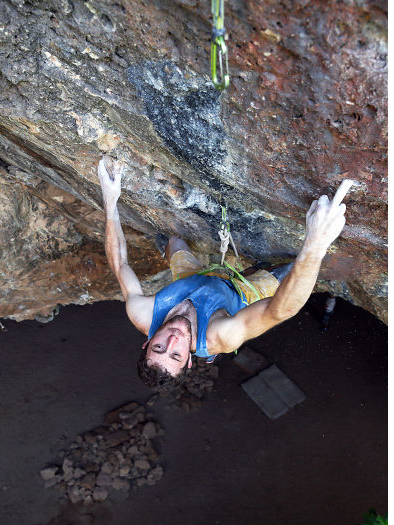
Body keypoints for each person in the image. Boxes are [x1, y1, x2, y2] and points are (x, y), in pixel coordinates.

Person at [96, 156, 348, 388]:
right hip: (239, 293)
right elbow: (280, 310)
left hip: (192, 280)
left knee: (174, 242)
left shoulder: (142, 313)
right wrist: (315, 244)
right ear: (189, 360)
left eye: (159, 347)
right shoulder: (220, 336)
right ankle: (264, 269)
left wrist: (110, 202)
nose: (172, 339)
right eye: (176, 354)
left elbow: (120, 264)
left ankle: (168, 250)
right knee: (291, 269)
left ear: (147, 342)